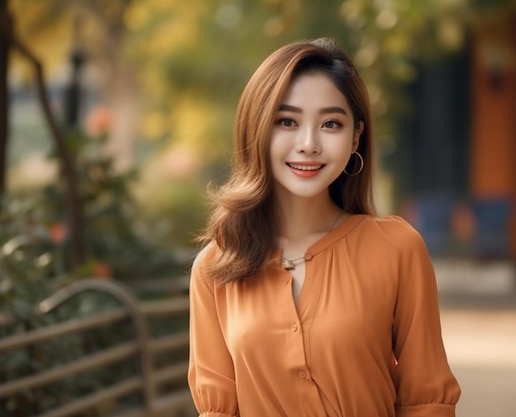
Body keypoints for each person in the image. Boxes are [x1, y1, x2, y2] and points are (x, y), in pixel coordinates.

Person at [188, 37, 461, 417]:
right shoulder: (216, 267)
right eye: (287, 121)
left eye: (331, 123)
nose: (309, 144)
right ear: (257, 131)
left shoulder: (397, 249)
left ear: (355, 137)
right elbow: (218, 409)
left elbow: (426, 401)